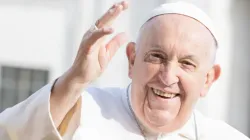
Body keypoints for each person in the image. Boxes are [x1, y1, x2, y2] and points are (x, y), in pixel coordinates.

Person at [0, 1, 249, 140]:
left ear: (208, 79)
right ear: (132, 60)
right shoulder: (83, 110)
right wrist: (74, 80)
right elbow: (11, 135)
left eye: (186, 64)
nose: (167, 76)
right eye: (156, 57)